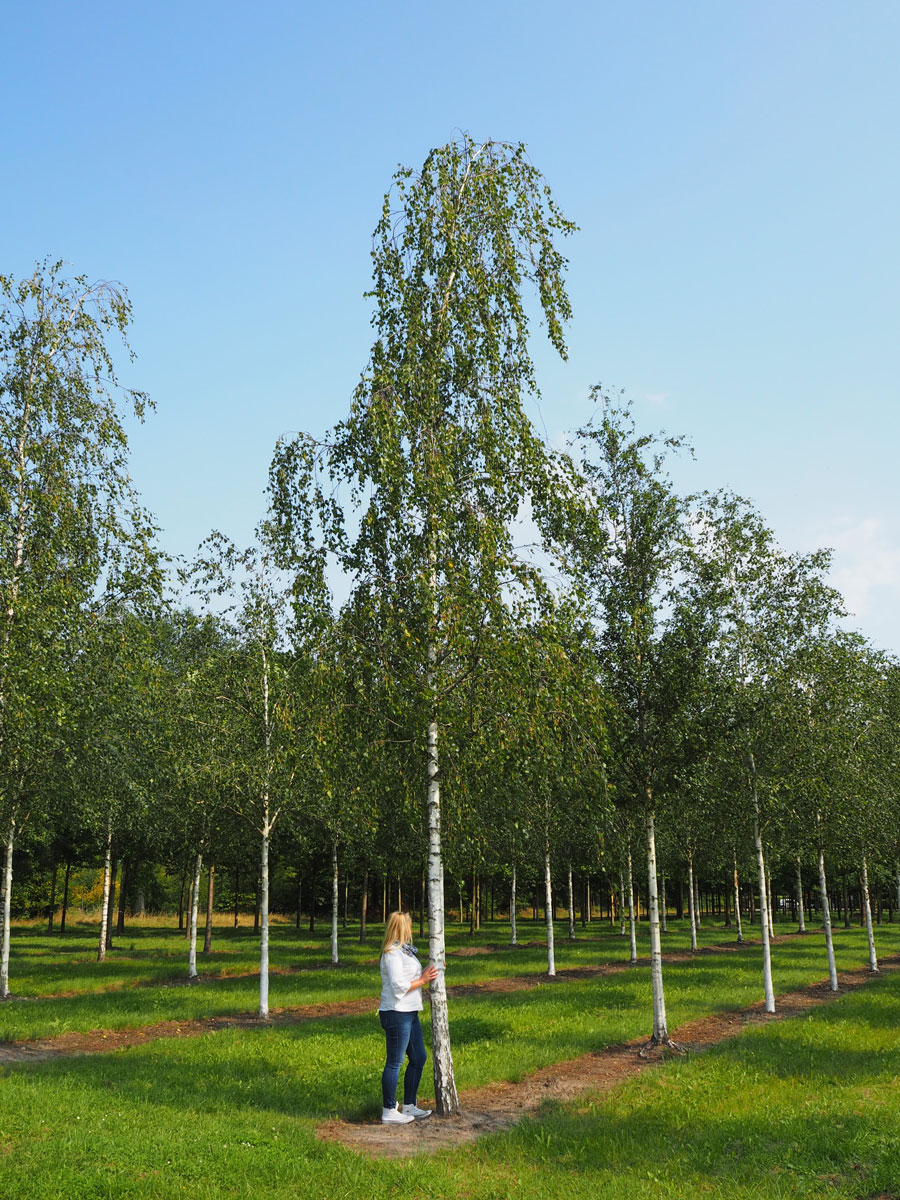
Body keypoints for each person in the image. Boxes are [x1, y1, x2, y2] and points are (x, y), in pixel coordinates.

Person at [378, 910, 438, 1124]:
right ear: (403, 927)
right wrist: (423, 980)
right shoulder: (392, 953)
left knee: (419, 1057)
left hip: (410, 1012)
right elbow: (397, 986)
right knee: (395, 1061)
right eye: (410, 925)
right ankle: (388, 1110)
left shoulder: (405, 952)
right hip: (396, 1012)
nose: (412, 929)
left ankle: (409, 1105)